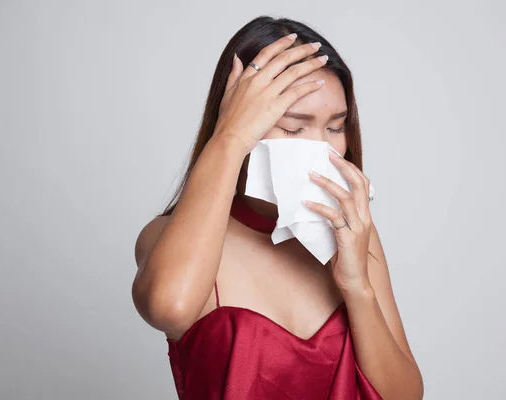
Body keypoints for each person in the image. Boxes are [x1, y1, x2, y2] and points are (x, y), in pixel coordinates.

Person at [132, 15, 424, 400]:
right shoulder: (169, 237)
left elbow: (405, 396)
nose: (321, 147)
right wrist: (229, 137)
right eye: (292, 128)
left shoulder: (350, 233)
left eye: (335, 127)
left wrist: (357, 286)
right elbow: (169, 309)